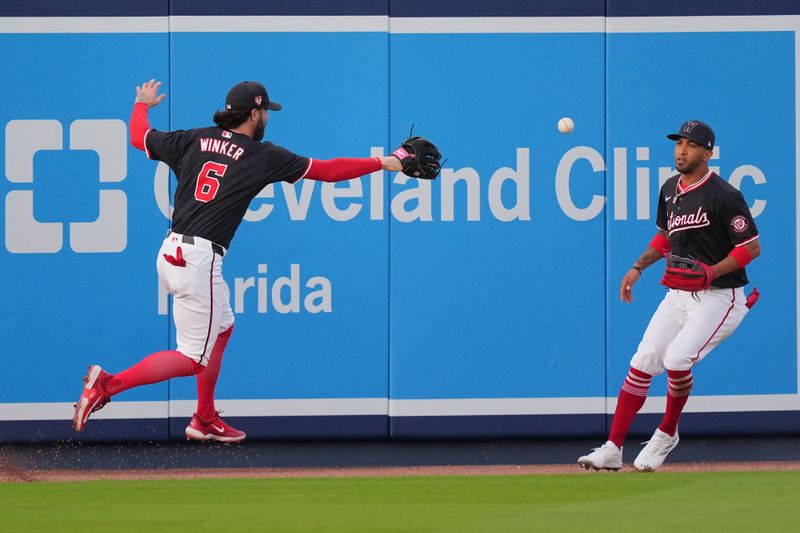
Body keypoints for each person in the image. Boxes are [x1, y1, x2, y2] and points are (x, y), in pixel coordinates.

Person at [72, 79, 411, 442]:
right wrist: (387, 163)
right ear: (253, 113)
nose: (267, 117)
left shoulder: (193, 139)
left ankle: (203, 418)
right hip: (200, 258)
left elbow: (139, 137)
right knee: (191, 359)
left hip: (172, 251)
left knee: (223, 327)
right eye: (265, 111)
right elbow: (327, 171)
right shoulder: (261, 155)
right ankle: (107, 384)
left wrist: (141, 104)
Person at [578, 120, 761, 471]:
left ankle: (667, 431)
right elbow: (665, 236)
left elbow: (751, 247)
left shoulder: (725, 195)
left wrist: (713, 270)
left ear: (708, 152)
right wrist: (638, 267)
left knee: (677, 360)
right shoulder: (668, 189)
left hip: (721, 296)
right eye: (679, 143)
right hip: (679, 295)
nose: (682, 150)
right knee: (643, 361)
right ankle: (613, 447)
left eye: (691, 145)